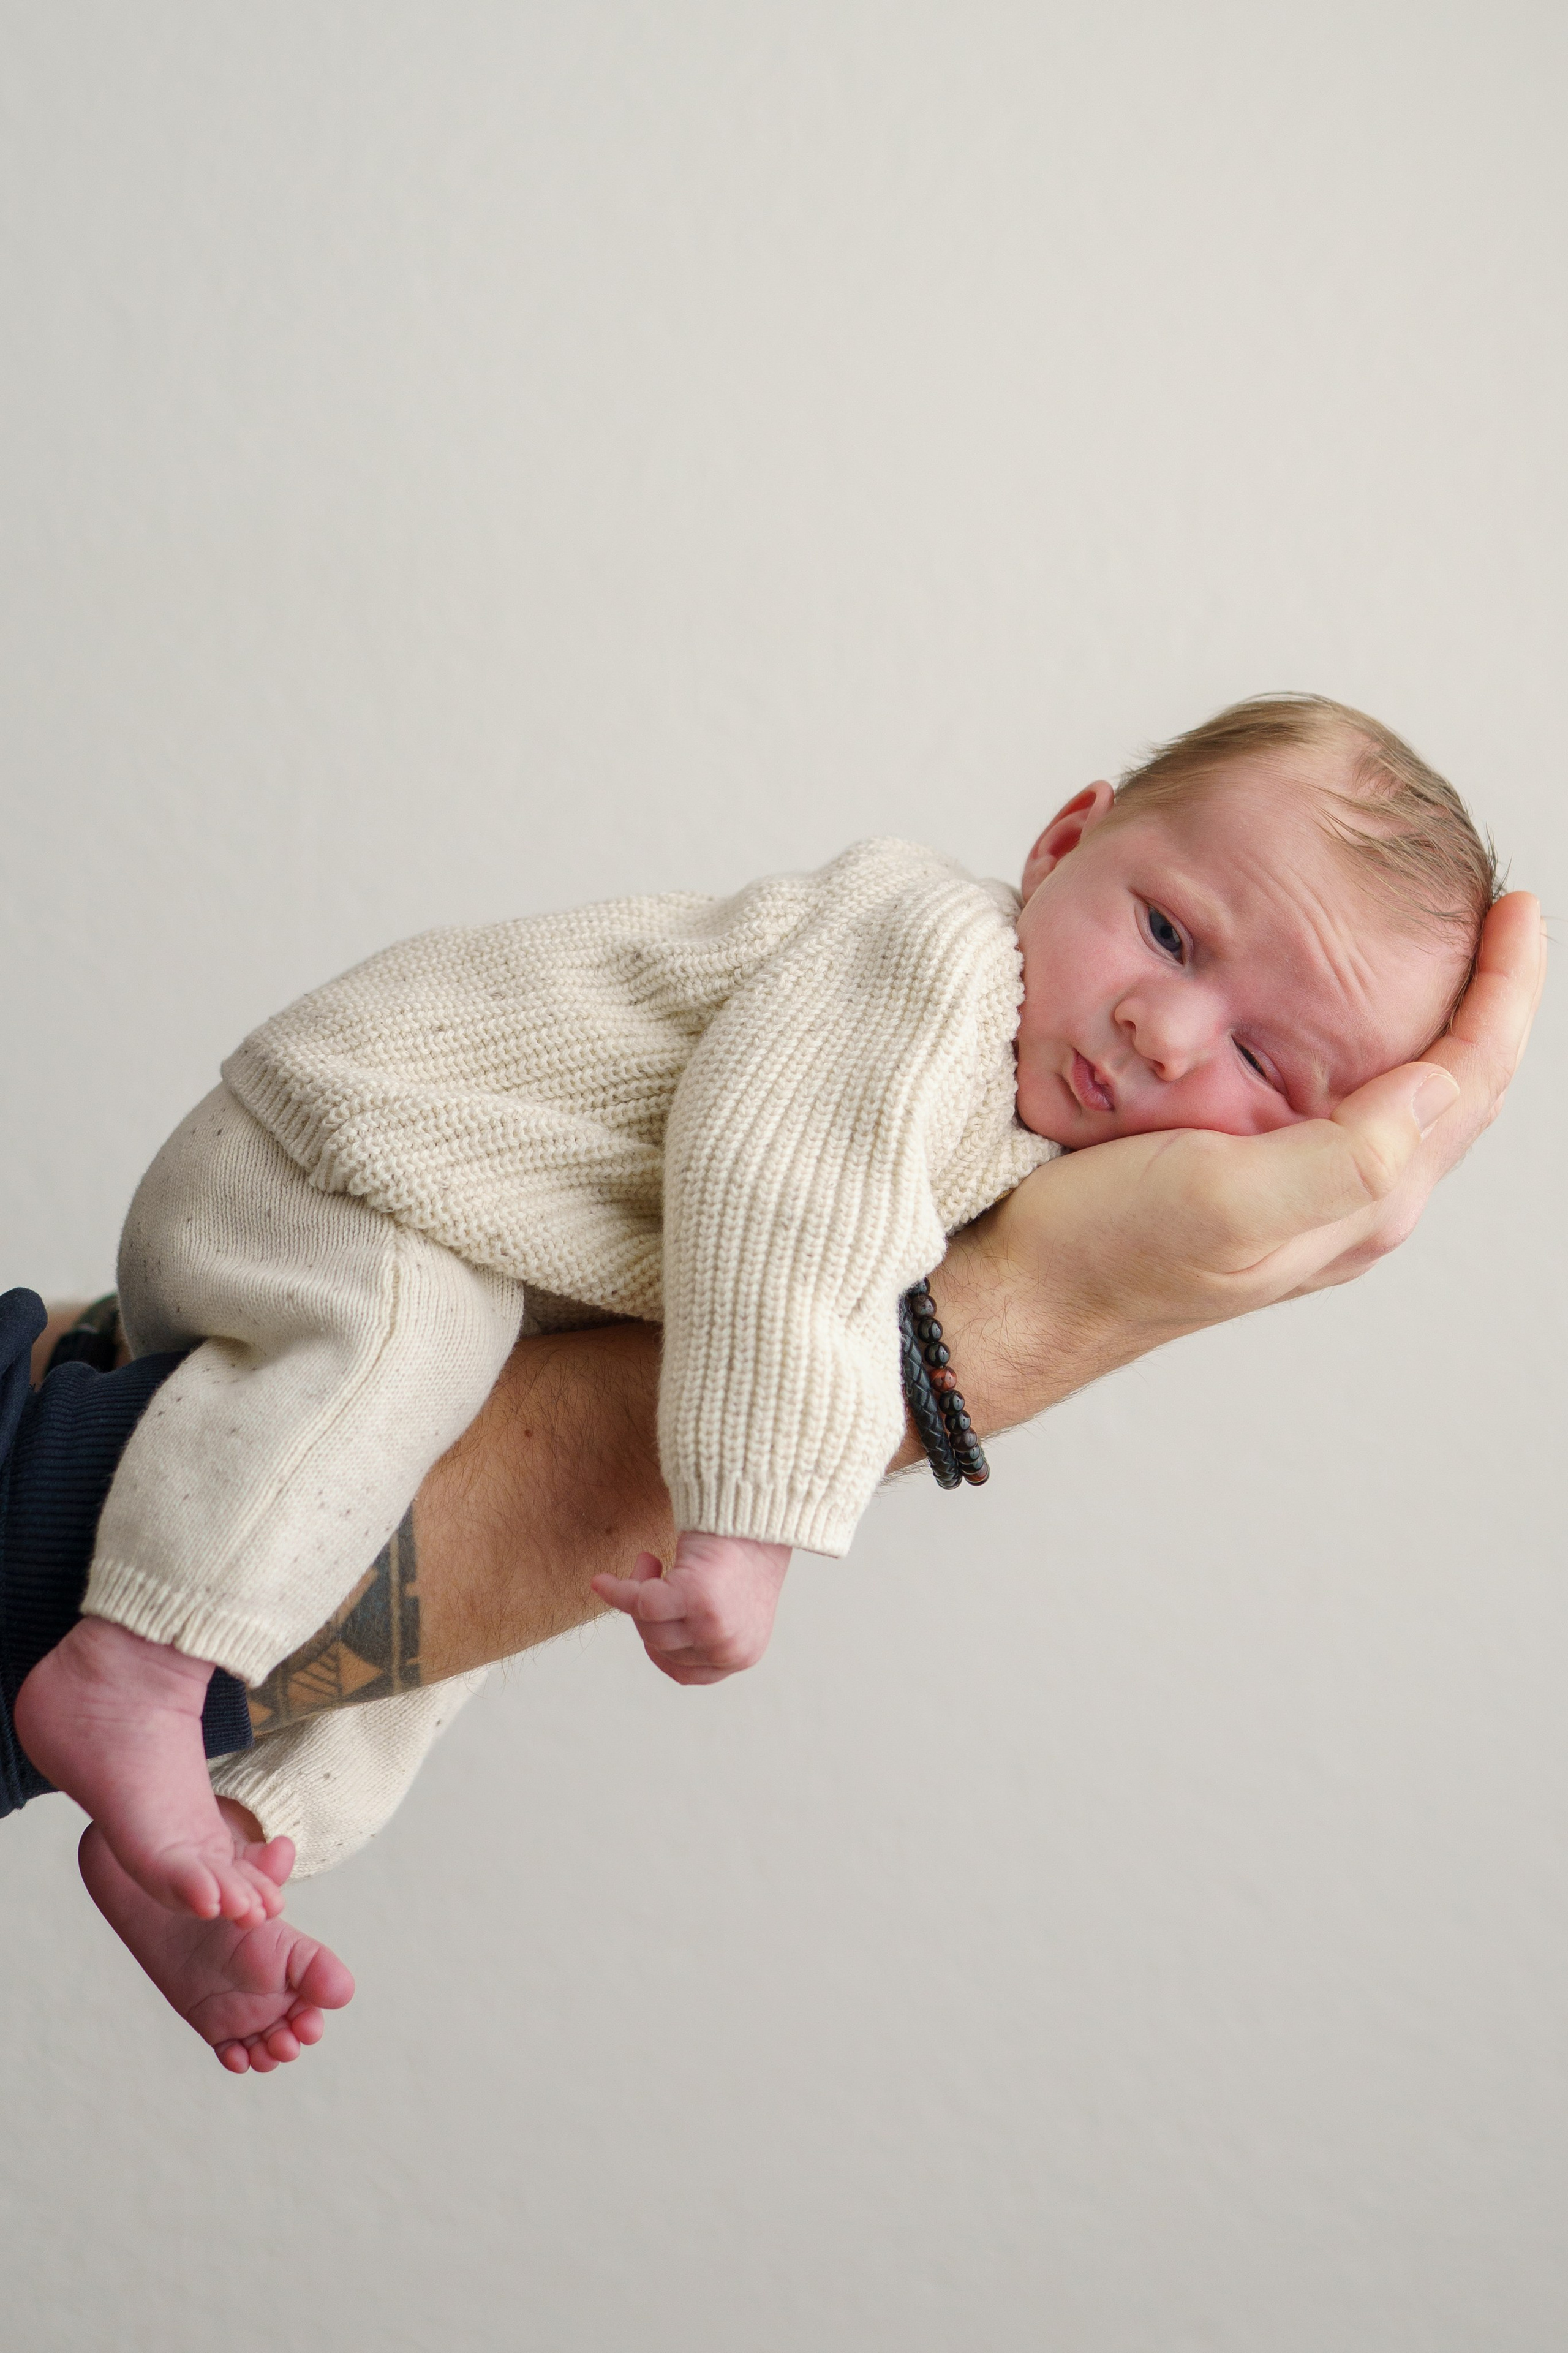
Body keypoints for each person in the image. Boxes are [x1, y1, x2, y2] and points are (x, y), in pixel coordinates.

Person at [8, 697, 1529, 2051]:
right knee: (406, 1357)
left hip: (409, 1278)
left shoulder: (1018, 1138)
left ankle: (222, 1838)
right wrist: (751, 1516)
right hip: (348, 1157)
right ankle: (134, 1664)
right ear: (1067, 838)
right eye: (1167, 932)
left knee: (434, 1590)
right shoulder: (936, 959)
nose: (1163, 1023)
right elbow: (778, 1201)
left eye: (1264, 1067)